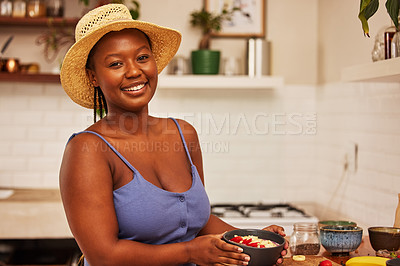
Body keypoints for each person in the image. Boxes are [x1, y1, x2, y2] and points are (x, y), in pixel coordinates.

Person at [59, 3, 288, 266]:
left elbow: (198, 222)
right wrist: (190, 252)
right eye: (116, 63)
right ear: (94, 77)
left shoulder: (182, 133)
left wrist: (250, 240)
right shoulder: (87, 150)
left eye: (142, 57)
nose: (134, 71)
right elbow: (103, 255)